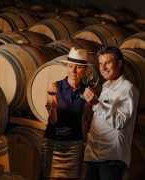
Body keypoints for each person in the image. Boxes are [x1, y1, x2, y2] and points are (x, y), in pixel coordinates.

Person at [83, 46, 139, 180]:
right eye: (101, 64)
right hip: (95, 156)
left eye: (107, 63)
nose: (103, 68)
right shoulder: (105, 87)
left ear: (119, 63)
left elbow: (120, 122)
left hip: (111, 158)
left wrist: (96, 104)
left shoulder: (127, 89)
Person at [42, 47, 94, 179]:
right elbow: (52, 121)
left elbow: (84, 120)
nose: (73, 71)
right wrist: (52, 110)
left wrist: (84, 144)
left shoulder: (87, 92)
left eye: (78, 67)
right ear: (66, 67)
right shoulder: (54, 86)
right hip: (54, 143)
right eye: (70, 66)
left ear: (85, 70)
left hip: (74, 146)